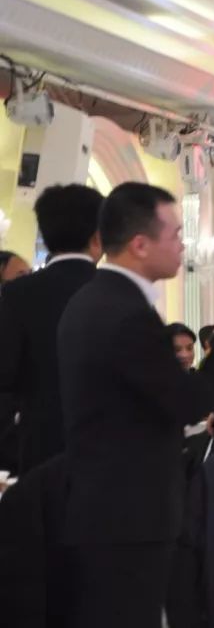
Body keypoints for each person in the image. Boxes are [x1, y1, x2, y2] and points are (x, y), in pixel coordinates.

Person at [57, 182, 214, 628]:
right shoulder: (125, 313)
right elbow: (186, 401)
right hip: (127, 511)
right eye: (175, 234)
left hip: (106, 502)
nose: (183, 245)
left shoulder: (95, 299)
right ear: (140, 244)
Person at [0, 184, 103, 474]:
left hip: (39, 449)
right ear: (99, 235)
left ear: (44, 235)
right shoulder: (119, 291)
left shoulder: (18, 293)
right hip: (109, 451)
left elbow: (4, 376)